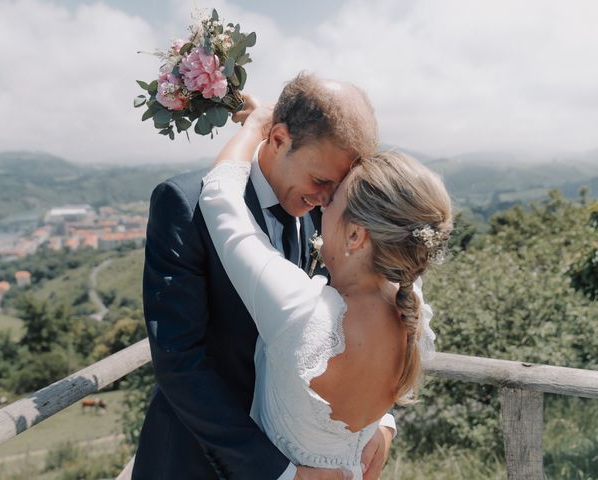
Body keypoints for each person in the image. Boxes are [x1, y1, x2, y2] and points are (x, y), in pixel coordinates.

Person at [132, 73, 396, 480]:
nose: (326, 199)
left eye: (337, 186)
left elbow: (358, 314)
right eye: (321, 181)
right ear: (277, 139)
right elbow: (180, 363)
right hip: (196, 462)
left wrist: (375, 420)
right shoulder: (184, 205)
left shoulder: (327, 213)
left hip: (298, 449)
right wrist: (280, 472)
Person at [197, 109, 452, 479]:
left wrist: (255, 126)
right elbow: (398, 202)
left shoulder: (301, 309)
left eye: (332, 201)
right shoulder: (411, 304)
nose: (320, 204)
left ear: (355, 236)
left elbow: (219, 197)